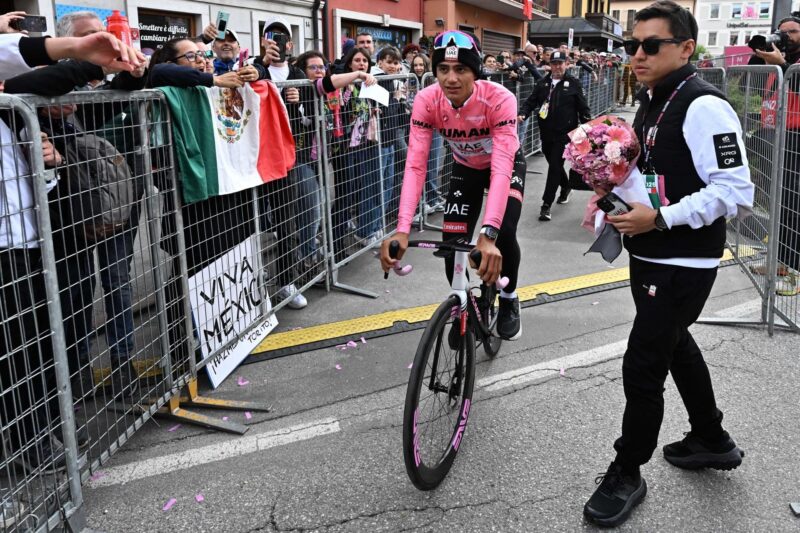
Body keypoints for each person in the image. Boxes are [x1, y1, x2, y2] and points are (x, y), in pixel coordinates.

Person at [581, 1, 754, 527]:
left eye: (650, 45)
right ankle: (710, 436)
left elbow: (735, 190)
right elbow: (654, 169)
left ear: (684, 48)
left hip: (682, 261)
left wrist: (658, 217)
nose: (637, 54)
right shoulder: (654, 97)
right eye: (632, 45)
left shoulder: (704, 105)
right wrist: (610, 190)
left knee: (644, 362)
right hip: (653, 254)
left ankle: (626, 469)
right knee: (675, 343)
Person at [379, 30, 526, 341]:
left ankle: (510, 299)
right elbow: (416, 165)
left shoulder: (500, 98)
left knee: (505, 232)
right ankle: (466, 307)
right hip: (465, 168)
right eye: (443, 69)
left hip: (505, 165)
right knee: (452, 245)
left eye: (461, 69)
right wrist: (403, 227)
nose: (451, 78)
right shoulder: (427, 99)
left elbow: (501, 168)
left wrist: (489, 234)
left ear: (475, 72)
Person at [748, 15, 800, 293]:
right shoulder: (778, 61)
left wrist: (782, 63)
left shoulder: (791, 65)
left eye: (793, 31)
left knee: (794, 205)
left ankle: (796, 270)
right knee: (779, 204)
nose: (787, 36)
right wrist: (763, 53)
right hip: (775, 136)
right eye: (782, 32)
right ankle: (780, 260)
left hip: (796, 140)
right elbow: (752, 85)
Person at [518, 50, 590, 221]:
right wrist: (523, 113)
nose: (557, 66)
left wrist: (588, 125)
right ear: (549, 65)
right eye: (554, 63)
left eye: (560, 63)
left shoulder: (573, 83)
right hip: (546, 133)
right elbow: (531, 101)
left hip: (565, 134)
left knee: (554, 167)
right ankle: (566, 186)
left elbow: (582, 106)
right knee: (554, 164)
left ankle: (546, 204)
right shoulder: (543, 83)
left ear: (566, 64)